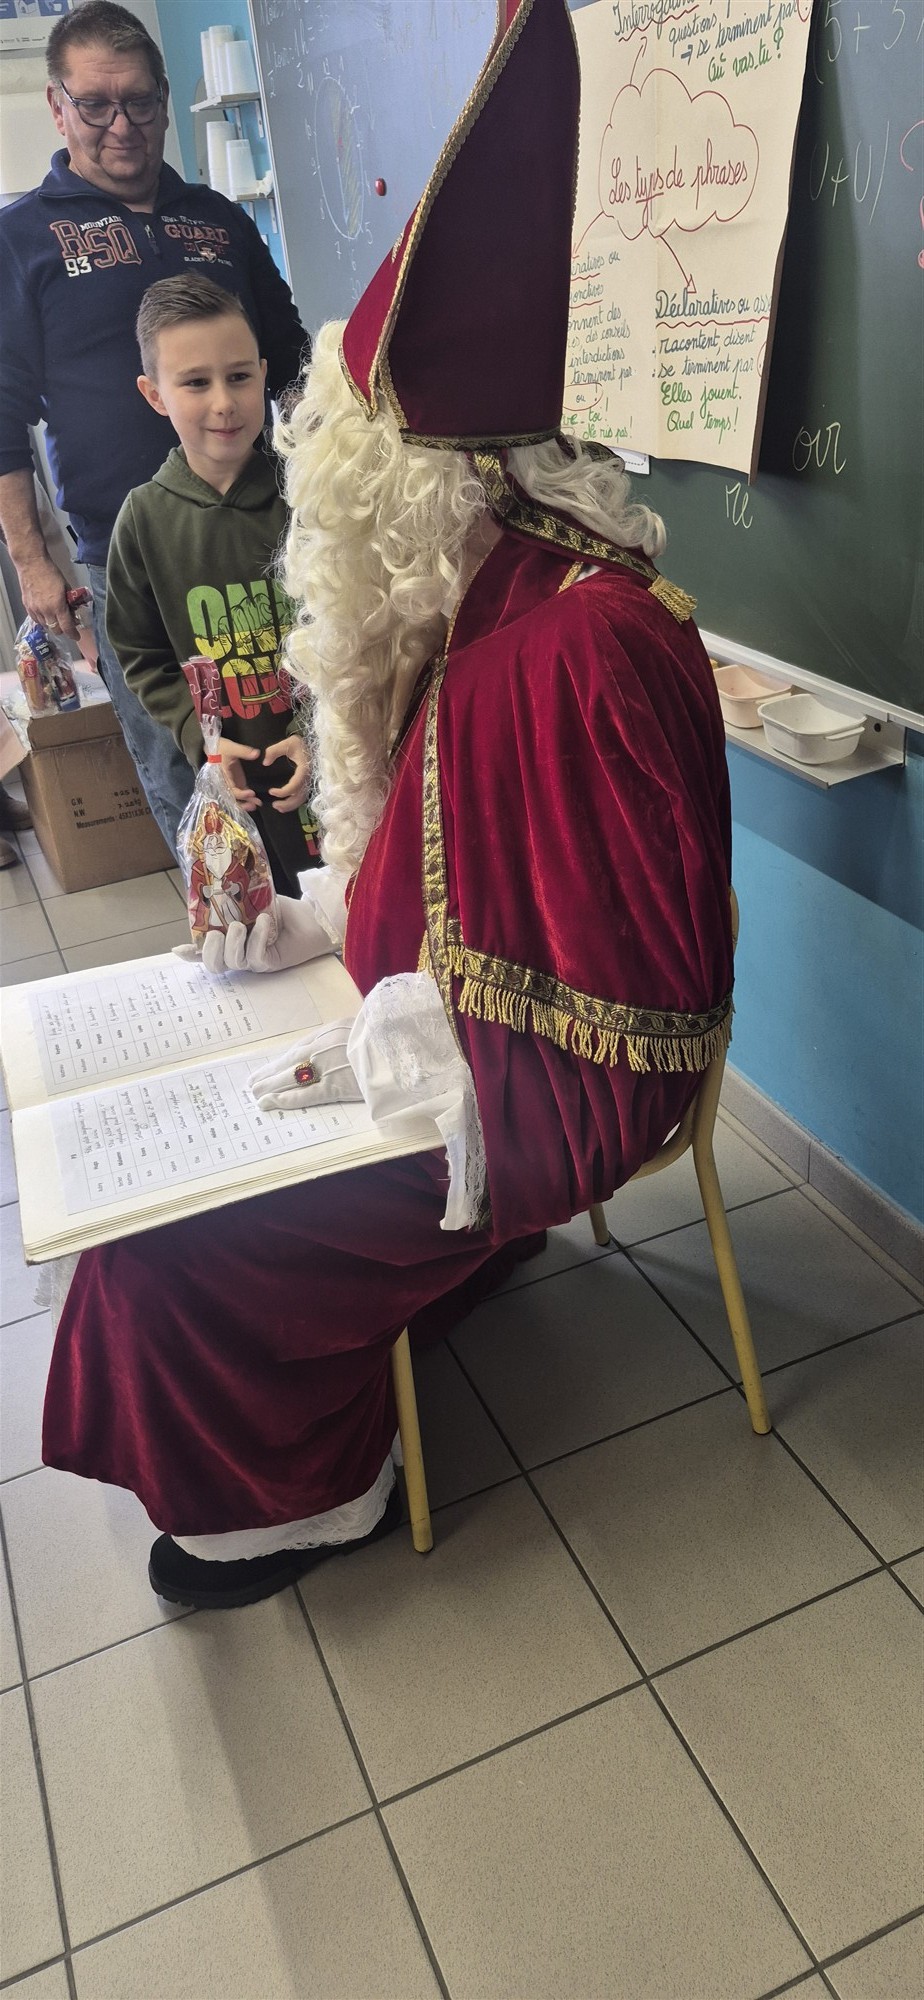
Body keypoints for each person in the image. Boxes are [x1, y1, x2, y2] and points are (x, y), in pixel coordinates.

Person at [43, 0, 734, 1611]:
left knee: (177, 1237)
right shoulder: (470, 609)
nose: (321, 519)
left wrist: (407, 1043)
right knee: (173, 1158)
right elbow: (447, 872)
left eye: (343, 469)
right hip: (464, 1041)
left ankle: (313, 1499)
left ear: (424, 480)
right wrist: (321, 924)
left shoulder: (567, 647)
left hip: (543, 1093)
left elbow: (624, 991)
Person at [0, 1, 308, 852]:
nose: (122, 124)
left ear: (165, 99)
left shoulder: (219, 219)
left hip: (261, 539)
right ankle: (227, 920)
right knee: (190, 779)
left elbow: (292, 362)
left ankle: (318, 918)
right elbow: (2, 414)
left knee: (302, 750)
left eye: (139, 100)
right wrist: (32, 560)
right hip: (127, 559)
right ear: (58, 106)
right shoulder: (21, 239)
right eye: (96, 104)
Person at [107, 274, 318, 897]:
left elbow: (359, 628)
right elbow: (141, 654)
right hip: (233, 781)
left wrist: (321, 732)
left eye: (240, 376)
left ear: (264, 374)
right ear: (155, 394)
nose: (225, 402)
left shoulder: (311, 495)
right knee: (261, 925)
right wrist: (206, 748)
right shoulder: (143, 519)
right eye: (196, 383)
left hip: (333, 763)